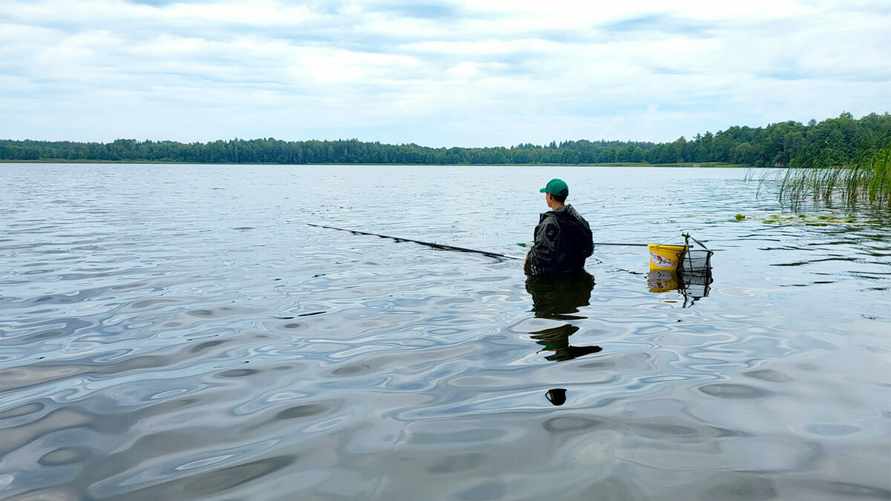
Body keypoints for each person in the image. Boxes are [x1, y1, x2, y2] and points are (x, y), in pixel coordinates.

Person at [524, 178, 594, 277]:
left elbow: (541, 257)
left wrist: (528, 258)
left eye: (546, 194)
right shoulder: (580, 220)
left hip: (554, 280)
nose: (546, 197)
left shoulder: (549, 223)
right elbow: (589, 250)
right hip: (577, 274)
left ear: (550, 197)